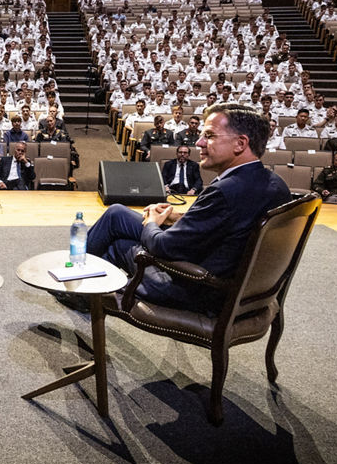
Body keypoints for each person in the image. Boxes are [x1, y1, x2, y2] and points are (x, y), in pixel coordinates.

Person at [80, 103, 291, 314]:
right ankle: (84, 293)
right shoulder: (276, 184)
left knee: (118, 244)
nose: (199, 143)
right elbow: (224, 227)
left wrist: (152, 222)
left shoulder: (224, 192)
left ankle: (78, 291)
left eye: (209, 136)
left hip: (192, 288)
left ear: (240, 143)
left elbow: (163, 247)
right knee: (117, 214)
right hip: (239, 286)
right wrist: (175, 217)